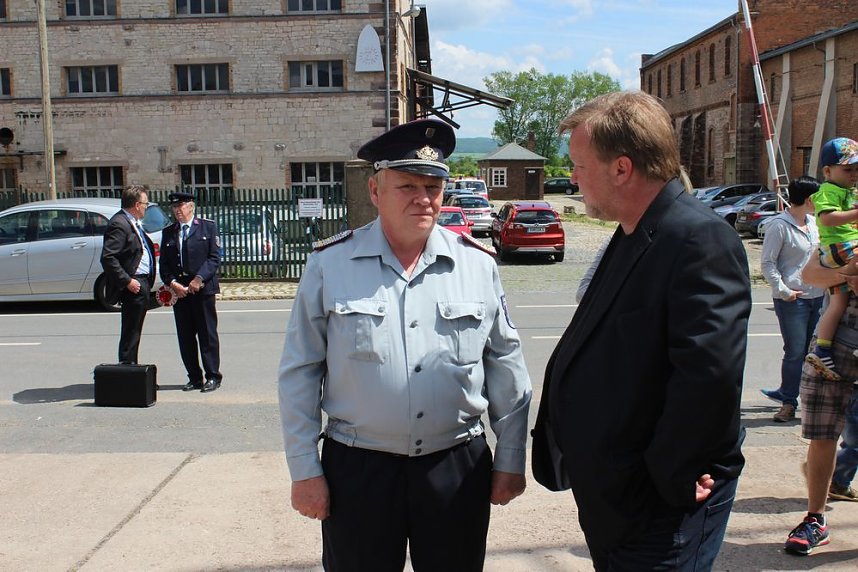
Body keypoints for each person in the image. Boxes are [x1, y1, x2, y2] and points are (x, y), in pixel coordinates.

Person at [277, 118, 532, 571]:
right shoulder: (329, 265)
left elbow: (505, 364)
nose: (423, 198)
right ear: (375, 191)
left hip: (455, 463)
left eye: (433, 186)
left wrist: (511, 457)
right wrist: (304, 469)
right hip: (359, 469)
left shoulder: (477, 265)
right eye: (407, 185)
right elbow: (300, 371)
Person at [531, 91, 751, 570]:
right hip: (619, 497)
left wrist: (674, 474)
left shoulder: (698, 237)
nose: (572, 178)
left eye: (579, 166)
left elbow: (708, 376)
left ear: (622, 168)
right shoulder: (636, 228)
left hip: (657, 506)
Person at [784, 255, 858, 555]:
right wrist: (848, 274)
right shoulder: (845, 235)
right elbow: (812, 273)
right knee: (822, 436)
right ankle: (815, 519)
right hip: (831, 351)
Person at [759, 177, 825, 422]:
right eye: (818, 198)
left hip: (817, 295)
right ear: (809, 199)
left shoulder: (814, 223)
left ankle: (806, 399)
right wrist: (783, 289)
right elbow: (767, 262)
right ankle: (788, 401)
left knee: (813, 352)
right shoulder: (780, 225)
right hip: (792, 299)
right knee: (795, 350)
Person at [804, 137, 858, 381]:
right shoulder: (829, 190)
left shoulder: (846, 191)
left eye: (856, 170)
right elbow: (826, 219)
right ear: (827, 171)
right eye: (848, 169)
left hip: (841, 248)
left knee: (837, 303)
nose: (853, 175)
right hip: (841, 246)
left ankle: (822, 348)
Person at [159, 192, 223, 393]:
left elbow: (214, 258)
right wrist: (173, 283)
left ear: (191, 206)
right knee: (185, 336)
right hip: (181, 291)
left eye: (181, 206)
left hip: (202, 289)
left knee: (207, 334)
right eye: (174, 207)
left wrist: (198, 279)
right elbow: (164, 265)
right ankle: (194, 377)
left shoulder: (207, 227)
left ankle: (212, 376)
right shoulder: (169, 232)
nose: (177, 210)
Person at [100, 184, 156, 365]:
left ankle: (133, 369)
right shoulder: (119, 223)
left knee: (135, 330)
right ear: (136, 204)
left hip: (142, 282)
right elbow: (108, 258)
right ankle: (128, 368)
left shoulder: (131, 222)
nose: (146, 207)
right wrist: (127, 281)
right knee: (131, 331)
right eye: (145, 204)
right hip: (134, 284)